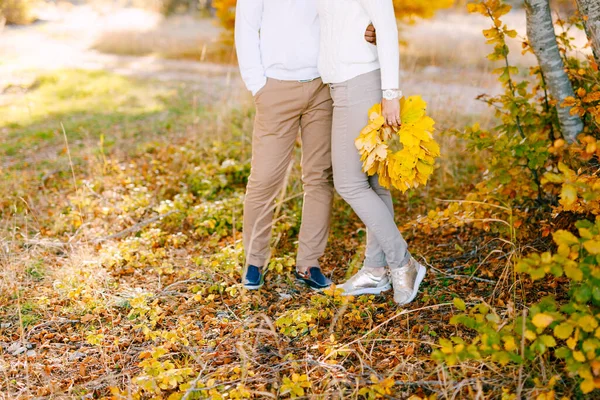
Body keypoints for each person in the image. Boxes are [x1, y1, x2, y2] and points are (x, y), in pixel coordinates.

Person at [235, 0, 377, 291]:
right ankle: (254, 261)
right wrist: (257, 85)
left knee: (319, 176)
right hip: (275, 88)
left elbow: (344, 16)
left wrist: (372, 28)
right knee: (264, 179)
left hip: (323, 85)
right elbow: (246, 29)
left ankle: (309, 263)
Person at [317, 0, 426, 305]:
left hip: (359, 82)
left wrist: (391, 93)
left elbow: (387, 27)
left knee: (349, 183)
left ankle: (403, 262)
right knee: (373, 183)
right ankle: (375, 270)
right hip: (342, 85)